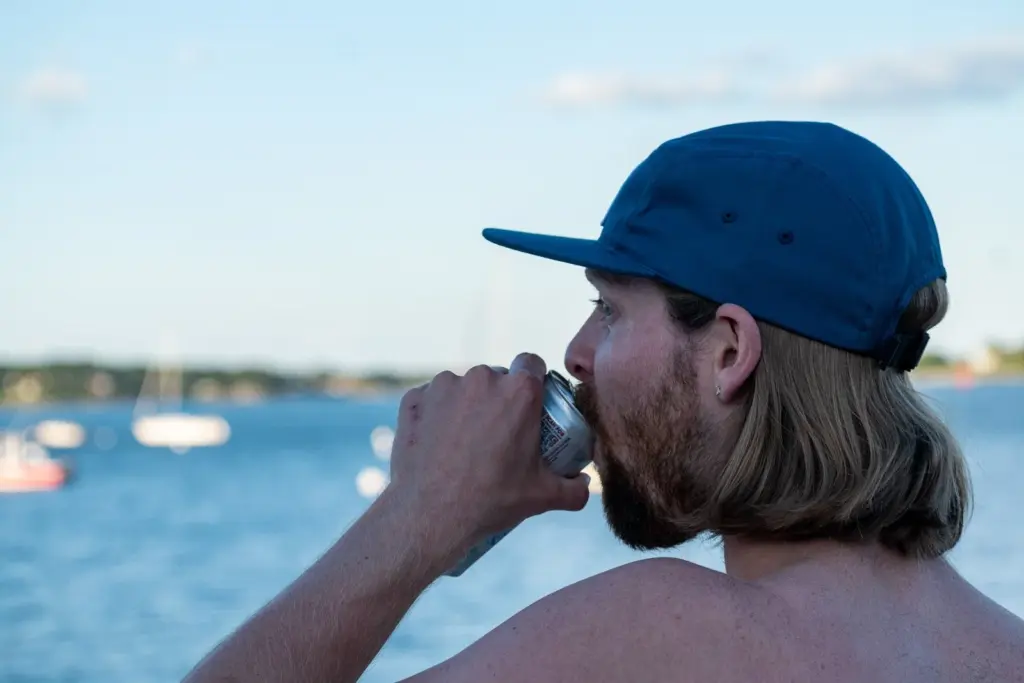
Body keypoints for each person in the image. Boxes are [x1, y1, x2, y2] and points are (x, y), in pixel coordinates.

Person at [182, 121, 1024, 683]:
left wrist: (413, 520)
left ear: (730, 351)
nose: (577, 353)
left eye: (610, 309)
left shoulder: (656, 634)